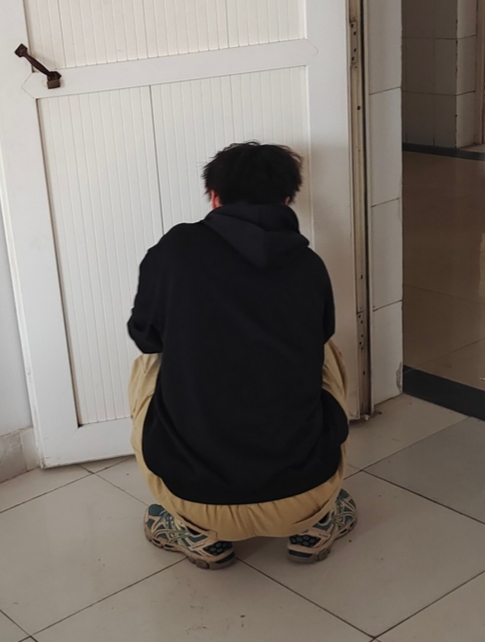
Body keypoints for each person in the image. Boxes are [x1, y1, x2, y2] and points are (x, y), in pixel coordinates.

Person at [127, 142, 356, 570]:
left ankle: (199, 537)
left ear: (214, 196)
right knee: (324, 351)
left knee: (151, 362)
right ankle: (315, 526)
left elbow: (145, 337)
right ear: (287, 200)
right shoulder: (309, 265)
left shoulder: (175, 251)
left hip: (195, 497)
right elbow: (320, 335)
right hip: (306, 490)